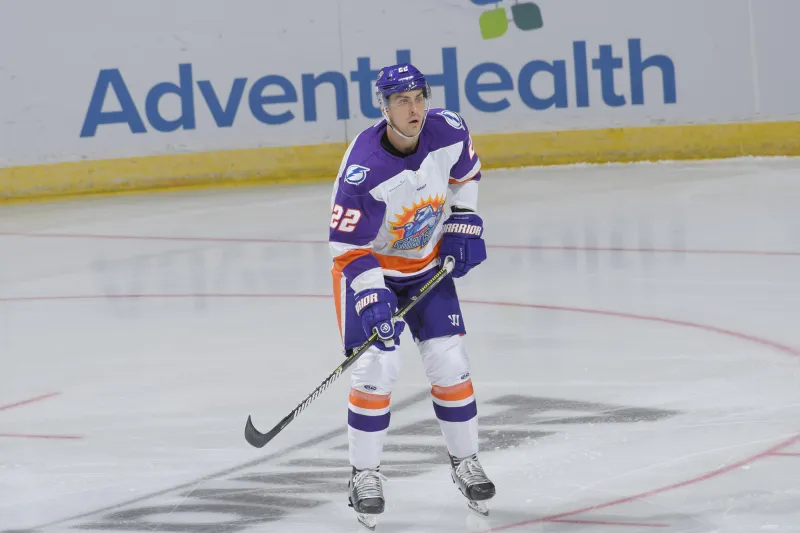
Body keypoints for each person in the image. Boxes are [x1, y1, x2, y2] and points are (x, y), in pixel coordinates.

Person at [328, 63, 495, 529]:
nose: (414, 108)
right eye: (401, 100)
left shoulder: (449, 129)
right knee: (377, 368)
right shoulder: (364, 170)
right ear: (383, 107)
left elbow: (467, 174)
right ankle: (364, 475)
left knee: (449, 360)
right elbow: (347, 248)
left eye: (419, 97)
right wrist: (371, 297)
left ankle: (466, 463)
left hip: (427, 267)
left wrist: (463, 219)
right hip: (372, 271)